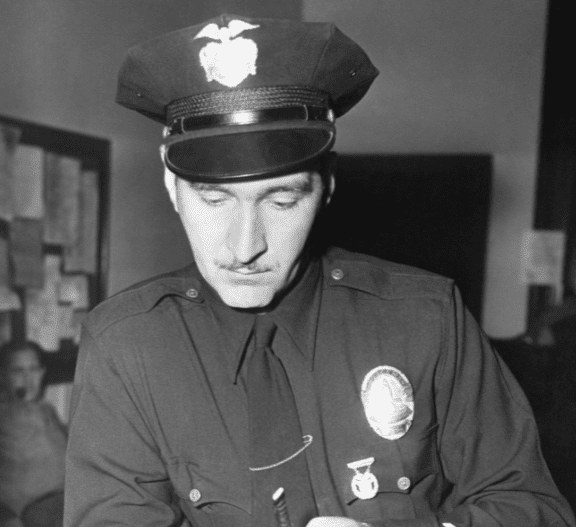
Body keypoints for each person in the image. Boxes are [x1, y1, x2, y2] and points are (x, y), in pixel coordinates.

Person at [64, 15, 575, 527]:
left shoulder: (428, 318)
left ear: (326, 183)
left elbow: (534, 508)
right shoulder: (127, 345)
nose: (245, 247)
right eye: (214, 199)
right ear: (173, 186)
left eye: (282, 199)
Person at [0, 341, 67, 527]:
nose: (28, 379)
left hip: (66, 500)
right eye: (18, 371)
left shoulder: (46, 410)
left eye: (34, 369)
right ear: (2, 374)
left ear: (42, 372)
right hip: (32, 510)